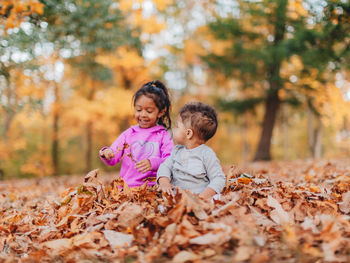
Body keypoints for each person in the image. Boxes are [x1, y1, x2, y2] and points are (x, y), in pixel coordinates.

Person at [99, 80, 174, 187]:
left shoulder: (163, 135)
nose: (143, 114)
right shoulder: (128, 134)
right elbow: (113, 155)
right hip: (127, 189)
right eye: (139, 110)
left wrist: (153, 163)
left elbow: (170, 161)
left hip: (153, 189)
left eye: (149, 111)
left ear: (161, 112)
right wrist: (106, 153)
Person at [157, 102, 226, 199]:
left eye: (177, 126)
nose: (173, 129)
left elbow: (218, 179)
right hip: (175, 198)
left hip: (199, 197)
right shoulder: (176, 151)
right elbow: (165, 167)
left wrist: (202, 197)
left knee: (217, 199)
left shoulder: (206, 154)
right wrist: (164, 182)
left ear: (188, 133)